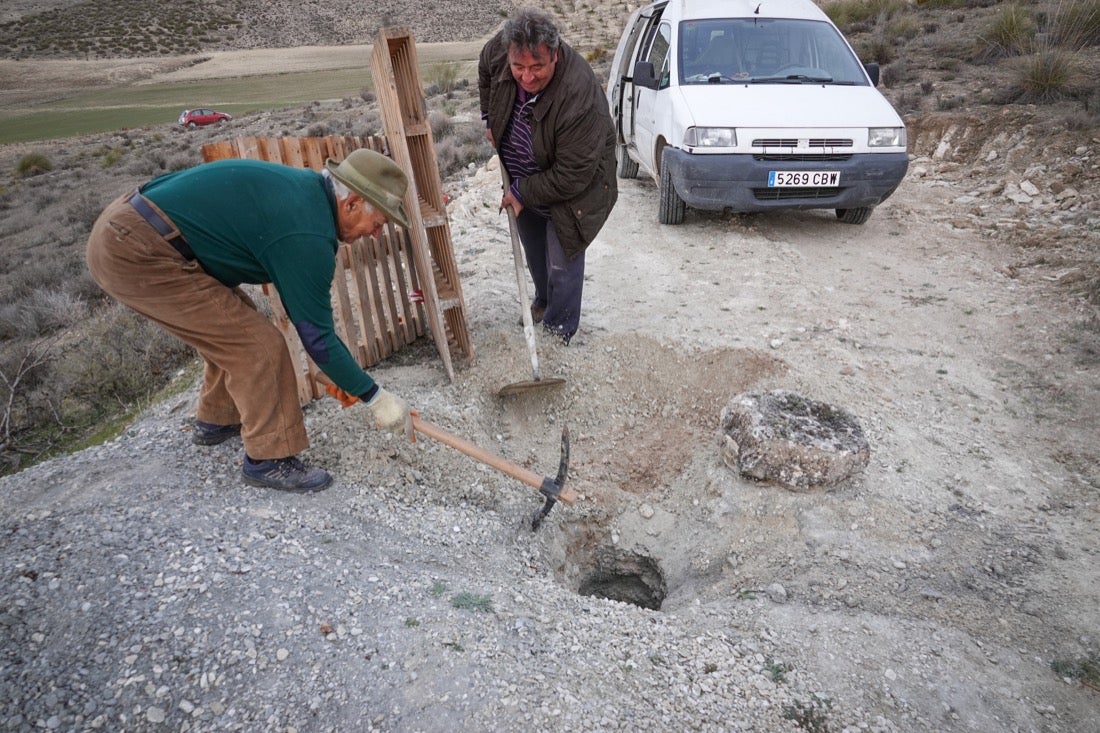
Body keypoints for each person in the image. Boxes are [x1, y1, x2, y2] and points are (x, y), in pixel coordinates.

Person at [85, 149, 415, 493]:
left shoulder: (306, 195)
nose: (375, 235)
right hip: (136, 248)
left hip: (134, 225)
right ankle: (269, 461)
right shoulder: (308, 234)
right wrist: (375, 397)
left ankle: (218, 420)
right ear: (351, 203)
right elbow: (317, 338)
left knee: (234, 321)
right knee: (259, 346)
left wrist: (352, 382)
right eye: (377, 224)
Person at [478, 7, 617, 344]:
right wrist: (489, 117)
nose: (526, 77)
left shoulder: (579, 93)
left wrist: (523, 193)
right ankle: (542, 301)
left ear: (554, 54)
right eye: (519, 67)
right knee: (535, 252)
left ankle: (559, 334)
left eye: (537, 67)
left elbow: (573, 174)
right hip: (524, 176)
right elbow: (485, 68)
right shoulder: (501, 48)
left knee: (562, 261)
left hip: (575, 189)